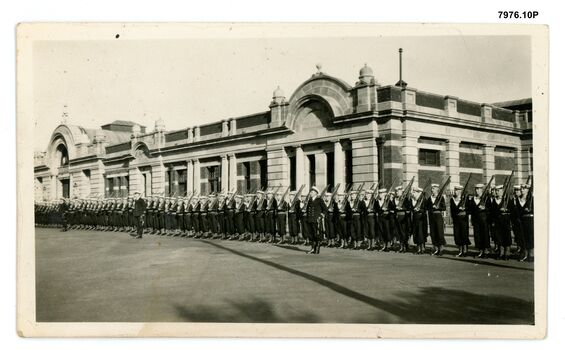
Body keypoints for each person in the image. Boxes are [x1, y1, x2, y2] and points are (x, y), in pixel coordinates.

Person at [468, 184, 491, 258]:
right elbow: (470, 210)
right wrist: (470, 219)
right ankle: (480, 251)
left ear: (482, 189)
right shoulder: (473, 199)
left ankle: (486, 251)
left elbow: (490, 209)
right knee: (477, 235)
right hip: (476, 220)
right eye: (476, 189)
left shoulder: (486, 198)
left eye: (479, 189)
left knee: (485, 235)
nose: (477, 190)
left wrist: (484, 208)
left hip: (484, 220)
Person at [491, 184, 513, 260]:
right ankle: (501, 253)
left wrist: (506, 210)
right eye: (496, 191)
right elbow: (492, 212)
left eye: (499, 191)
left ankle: (507, 253)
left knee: (506, 237)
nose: (497, 192)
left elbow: (512, 210)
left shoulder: (507, 200)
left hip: (506, 221)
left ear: (502, 191)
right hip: (498, 222)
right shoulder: (494, 201)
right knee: (499, 237)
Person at [304, 186, 327, 254]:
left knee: (317, 234)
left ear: (316, 193)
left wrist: (320, 216)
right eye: (310, 192)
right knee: (311, 235)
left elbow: (325, 209)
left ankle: (317, 249)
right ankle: (312, 248)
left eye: (312, 192)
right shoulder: (310, 200)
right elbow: (308, 210)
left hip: (316, 220)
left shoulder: (319, 200)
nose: (310, 193)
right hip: (310, 220)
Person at [450, 185, 471, 257]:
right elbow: (452, 211)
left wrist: (465, 211)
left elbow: (469, 209)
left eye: (457, 190)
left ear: (460, 191)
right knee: (457, 235)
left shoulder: (465, 199)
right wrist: (454, 218)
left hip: (464, 219)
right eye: (455, 190)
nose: (455, 191)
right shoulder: (452, 199)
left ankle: (465, 251)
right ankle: (460, 250)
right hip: (456, 220)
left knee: (464, 234)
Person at [426, 184, 446, 256]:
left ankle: (441, 249)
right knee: (433, 233)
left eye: (434, 188)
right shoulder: (429, 198)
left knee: (440, 233)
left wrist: (438, 207)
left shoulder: (441, 198)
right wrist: (431, 207)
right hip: (431, 217)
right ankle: (435, 248)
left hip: (438, 217)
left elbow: (444, 208)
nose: (432, 190)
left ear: (437, 189)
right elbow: (427, 207)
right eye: (432, 188)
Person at [518, 183, 534, 262]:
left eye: (524, 189)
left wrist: (530, 210)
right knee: (523, 237)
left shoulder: (531, 199)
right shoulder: (518, 199)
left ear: (528, 190)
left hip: (530, 220)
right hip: (522, 220)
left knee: (530, 237)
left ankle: (531, 254)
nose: (522, 190)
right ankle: (525, 254)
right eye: (521, 188)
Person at [410, 187, 428, 254]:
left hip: (421, 218)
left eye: (415, 192)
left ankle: (422, 248)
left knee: (421, 233)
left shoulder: (423, 200)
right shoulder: (413, 200)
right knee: (416, 233)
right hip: (415, 218)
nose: (413, 194)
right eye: (413, 192)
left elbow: (426, 208)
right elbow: (410, 208)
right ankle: (418, 248)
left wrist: (419, 210)